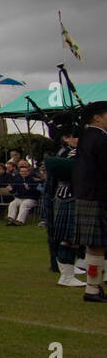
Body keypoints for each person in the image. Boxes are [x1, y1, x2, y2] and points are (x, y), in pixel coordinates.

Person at [73, 100, 107, 302]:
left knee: (95, 246)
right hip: (99, 195)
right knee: (97, 246)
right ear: (97, 117)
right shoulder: (101, 139)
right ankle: (92, 290)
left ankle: (93, 287)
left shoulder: (86, 137)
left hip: (88, 194)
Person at [44, 125, 84, 287]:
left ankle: (71, 270)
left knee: (75, 238)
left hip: (75, 194)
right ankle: (66, 276)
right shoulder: (71, 153)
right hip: (71, 194)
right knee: (70, 237)